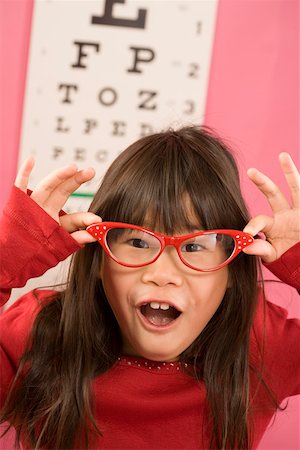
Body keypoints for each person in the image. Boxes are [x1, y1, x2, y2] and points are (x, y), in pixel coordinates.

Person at [0, 126, 299, 450]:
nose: (162, 273)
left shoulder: (259, 343)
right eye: (139, 242)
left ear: (231, 268)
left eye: (196, 245)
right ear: (99, 258)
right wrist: (5, 260)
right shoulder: (40, 334)